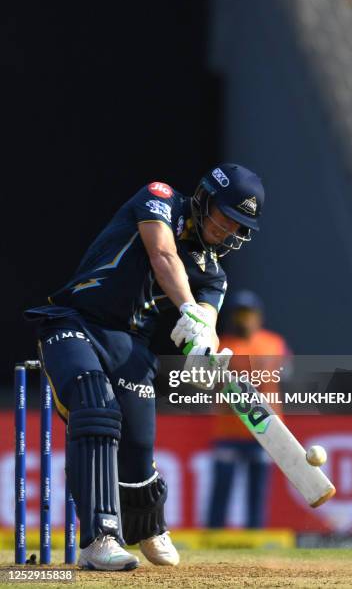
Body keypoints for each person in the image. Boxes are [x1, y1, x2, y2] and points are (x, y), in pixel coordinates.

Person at [25, 164, 264, 570]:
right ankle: (100, 537)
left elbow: (205, 318)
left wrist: (204, 342)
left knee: (138, 444)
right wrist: (188, 308)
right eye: (225, 217)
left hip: (129, 347)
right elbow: (162, 253)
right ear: (205, 199)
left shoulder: (213, 276)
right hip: (76, 321)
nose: (226, 231)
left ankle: (148, 525)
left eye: (237, 227)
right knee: (96, 407)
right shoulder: (161, 198)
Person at [207, 290, 291, 528]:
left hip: (266, 430)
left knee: (258, 490)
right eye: (239, 314)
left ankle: (255, 537)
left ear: (258, 316)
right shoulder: (222, 345)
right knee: (222, 486)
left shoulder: (274, 343)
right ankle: (213, 536)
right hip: (229, 430)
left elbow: (288, 375)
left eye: (248, 313)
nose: (244, 319)